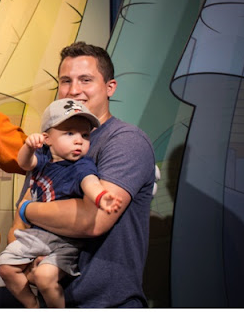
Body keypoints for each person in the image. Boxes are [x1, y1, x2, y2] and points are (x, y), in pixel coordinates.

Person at [9, 41, 155, 308]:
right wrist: (28, 263)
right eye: (66, 81)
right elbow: (18, 228)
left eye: (85, 80)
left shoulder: (125, 140)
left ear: (110, 87)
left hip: (106, 303)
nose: (74, 90)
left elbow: (93, 220)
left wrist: (27, 209)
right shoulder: (51, 143)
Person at [0, 98, 122, 307]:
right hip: (37, 235)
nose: (79, 141)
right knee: (5, 266)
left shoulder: (81, 165)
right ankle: (33, 306)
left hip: (65, 240)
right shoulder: (43, 158)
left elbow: (90, 182)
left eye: (85, 135)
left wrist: (101, 196)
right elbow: (24, 163)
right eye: (69, 133)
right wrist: (28, 146)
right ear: (47, 139)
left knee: (45, 277)